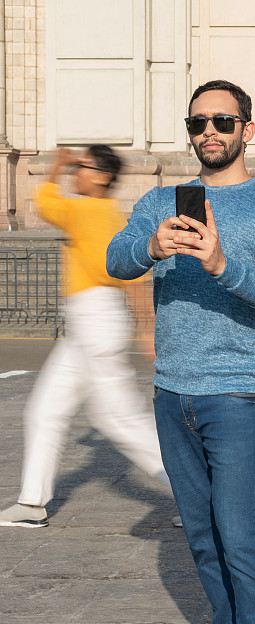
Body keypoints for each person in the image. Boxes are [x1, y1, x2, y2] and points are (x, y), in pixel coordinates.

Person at [106, 79, 255, 624]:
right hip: (172, 393)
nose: (209, 132)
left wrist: (221, 263)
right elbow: (115, 260)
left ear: (248, 128)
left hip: (238, 394)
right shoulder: (159, 202)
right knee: (202, 538)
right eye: (198, 123)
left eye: (222, 120)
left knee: (242, 537)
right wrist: (149, 247)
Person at [0, 146, 173, 528]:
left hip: (95, 323)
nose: (76, 173)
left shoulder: (88, 212)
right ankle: (31, 502)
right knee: (45, 411)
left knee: (121, 421)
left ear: (101, 177)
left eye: (83, 167)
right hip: (87, 326)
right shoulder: (106, 214)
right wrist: (145, 326)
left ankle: (198, 497)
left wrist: (57, 165)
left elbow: (45, 204)